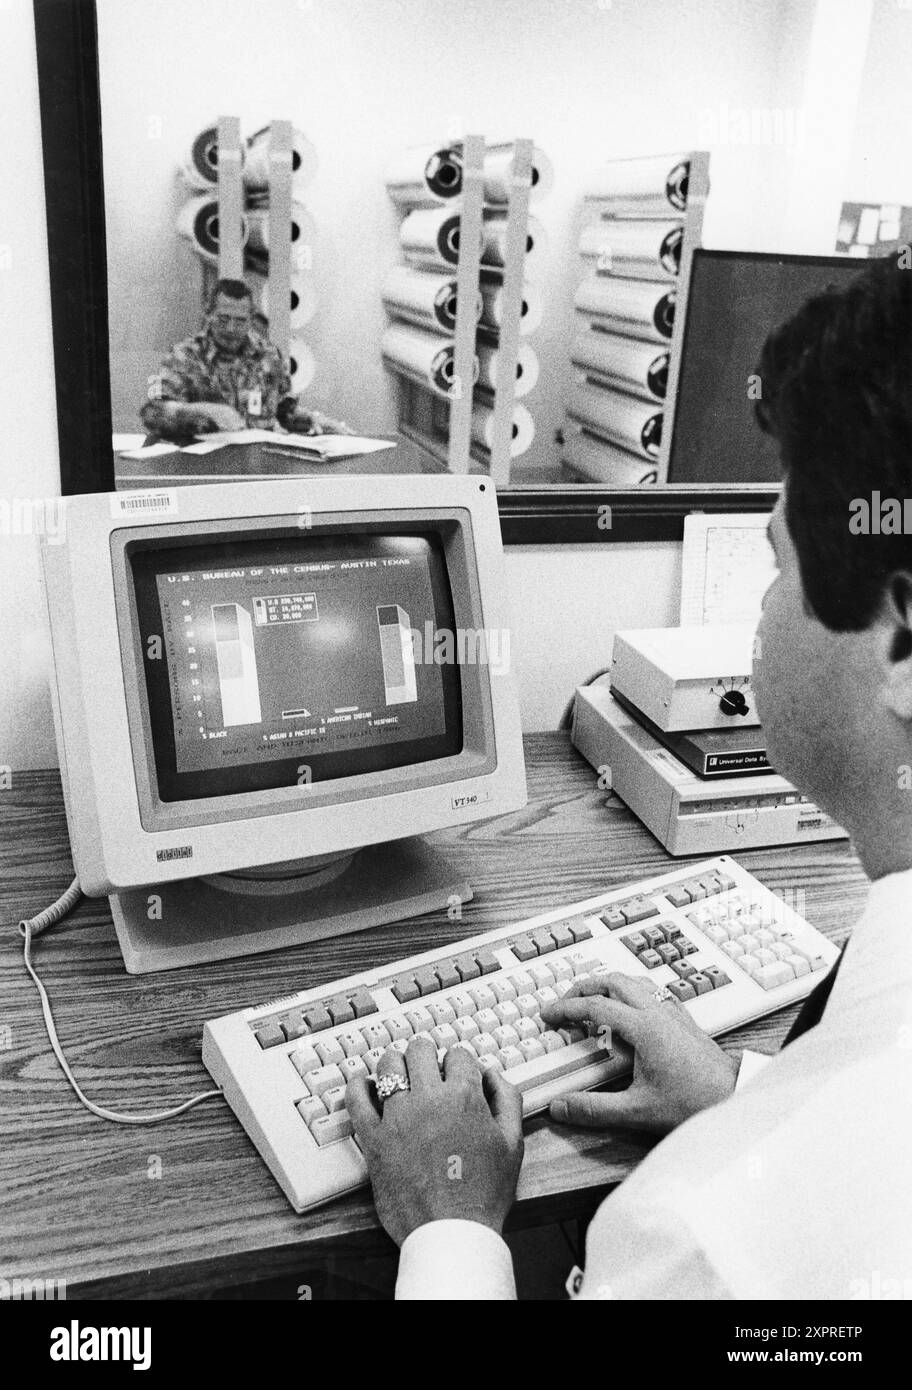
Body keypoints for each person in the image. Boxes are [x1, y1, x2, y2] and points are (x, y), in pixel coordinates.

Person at [345, 252, 912, 1299]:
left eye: (777, 561)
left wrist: (451, 1223)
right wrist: (746, 1089)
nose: (761, 607)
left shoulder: (704, 1241)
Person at [139, 278, 352, 441]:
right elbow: (153, 413)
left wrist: (312, 419)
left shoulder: (268, 355)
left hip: (262, 463)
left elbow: (284, 410)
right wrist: (202, 410)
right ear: (208, 314)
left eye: (240, 321)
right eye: (223, 319)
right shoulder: (185, 356)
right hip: (205, 467)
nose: (231, 329)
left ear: (251, 318)